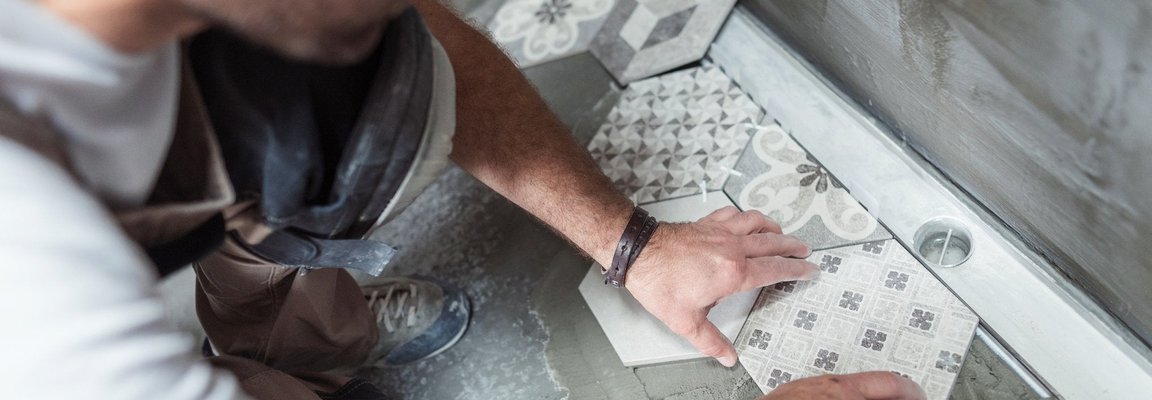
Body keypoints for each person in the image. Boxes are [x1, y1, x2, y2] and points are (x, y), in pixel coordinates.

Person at [0, 0, 924, 398]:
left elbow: (417, 37)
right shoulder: (37, 308)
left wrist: (632, 243)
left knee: (351, 119)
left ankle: (303, 346)